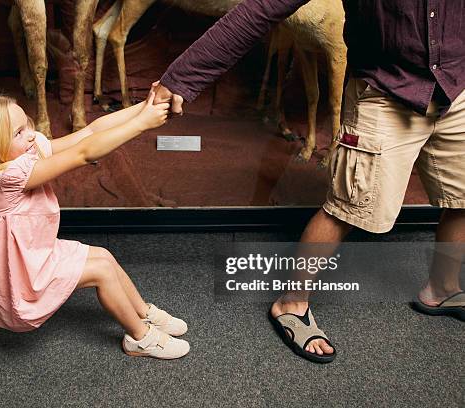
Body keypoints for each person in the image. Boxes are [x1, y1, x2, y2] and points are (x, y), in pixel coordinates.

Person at [153, 0, 465, 363]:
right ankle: (290, 303)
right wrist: (182, 78)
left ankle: (442, 288)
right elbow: (260, 9)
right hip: (386, 92)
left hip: (457, 89)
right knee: (348, 208)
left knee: (462, 196)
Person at [0, 91, 190, 359]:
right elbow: (83, 152)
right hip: (21, 279)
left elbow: (89, 132)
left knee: (104, 255)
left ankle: (145, 313)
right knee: (101, 271)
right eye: (19, 132)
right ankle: (140, 338)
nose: (31, 134)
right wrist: (142, 123)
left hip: (35, 255)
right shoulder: (7, 176)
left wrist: (143, 108)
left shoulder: (20, 152)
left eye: (27, 125)